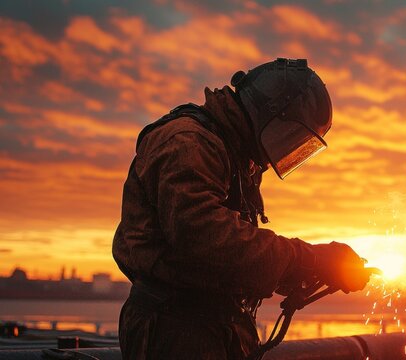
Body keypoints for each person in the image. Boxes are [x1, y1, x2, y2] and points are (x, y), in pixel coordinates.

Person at [112, 58, 374, 359]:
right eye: (290, 137)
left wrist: (317, 273)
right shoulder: (188, 143)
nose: (287, 148)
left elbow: (235, 261)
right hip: (175, 333)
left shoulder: (236, 154)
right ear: (274, 116)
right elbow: (205, 238)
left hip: (214, 327)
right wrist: (310, 259)